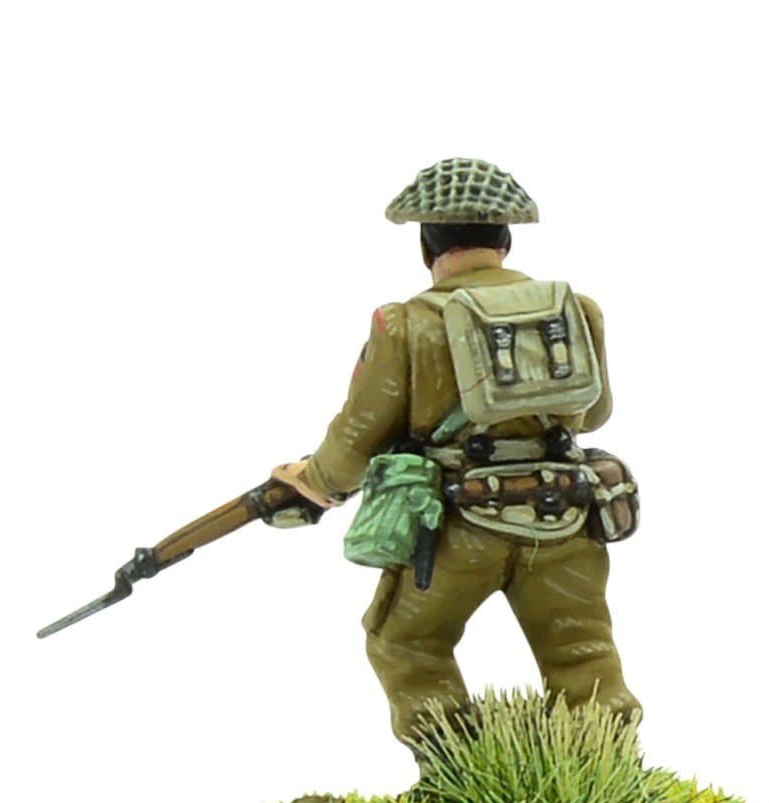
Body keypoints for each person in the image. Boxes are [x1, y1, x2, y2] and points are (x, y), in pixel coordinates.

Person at [273, 157, 639, 753]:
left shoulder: (405, 324)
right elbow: (594, 414)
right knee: (581, 649)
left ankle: (450, 770)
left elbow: (358, 438)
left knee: (406, 642)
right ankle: (604, 767)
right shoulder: (577, 309)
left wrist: (313, 482)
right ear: (506, 241)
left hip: (455, 527)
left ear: (427, 248)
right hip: (566, 517)